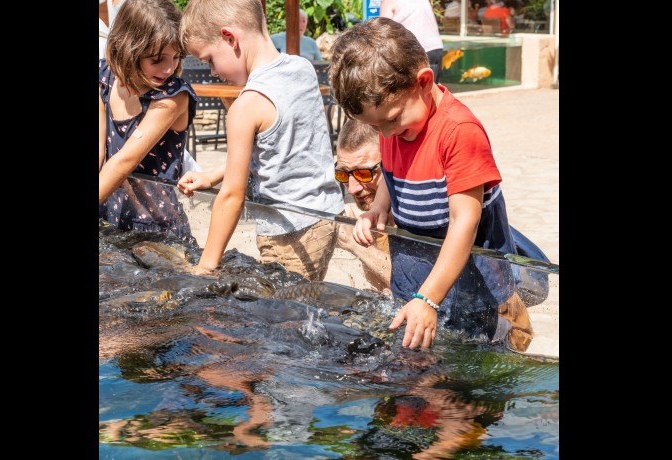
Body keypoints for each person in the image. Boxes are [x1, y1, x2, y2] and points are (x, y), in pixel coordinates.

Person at [329, 17, 546, 352]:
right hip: (417, 279)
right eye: (377, 126)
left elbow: (465, 222)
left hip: (473, 294)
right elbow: (389, 170)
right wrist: (378, 209)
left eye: (390, 121)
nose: (386, 134)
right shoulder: (397, 127)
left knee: (462, 378)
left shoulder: (459, 132)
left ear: (423, 81)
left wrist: (428, 299)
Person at [176, 0, 344, 281]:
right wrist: (213, 176)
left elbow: (232, 196)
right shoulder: (302, 68)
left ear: (230, 38)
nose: (213, 72)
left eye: (209, 61)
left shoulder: (247, 106)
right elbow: (282, 148)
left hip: (287, 232)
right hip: (324, 216)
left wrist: (205, 267)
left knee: (283, 317)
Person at [99, 0, 198, 239]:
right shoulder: (103, 78)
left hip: (157, 228)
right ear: (126, 46)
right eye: (157, 59)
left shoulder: (173, 95)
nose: (169, 69)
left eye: (176, 57)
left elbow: (125, 161)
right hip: (108, 216)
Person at [334, 119, 392, 292]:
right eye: (343, 174)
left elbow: (418, 287)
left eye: (363, 173)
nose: (352, 189)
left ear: (389, 163)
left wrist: (353, 243)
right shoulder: (373, 218)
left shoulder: (411, 211)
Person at [378, 0, 444, 83]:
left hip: (414, 52)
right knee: (432, 91)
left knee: (413, 92)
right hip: (435, 48)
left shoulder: (389, 1)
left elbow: (382, 30)